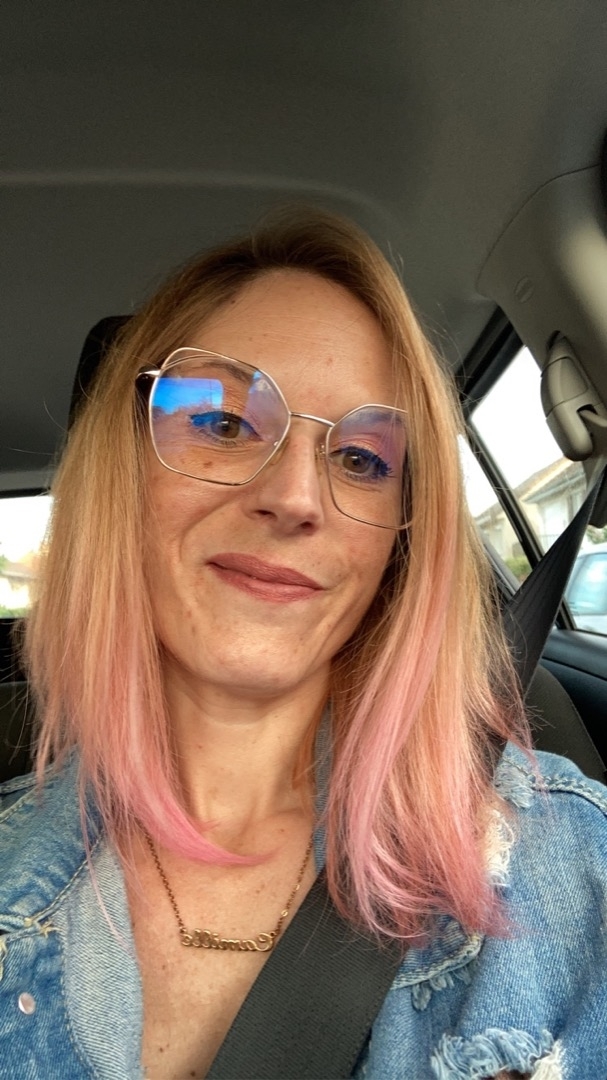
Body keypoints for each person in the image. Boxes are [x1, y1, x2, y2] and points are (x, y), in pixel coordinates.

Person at [1, 209, 606, 1080]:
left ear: (398, 541)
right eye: (221, 424)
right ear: (119, 474)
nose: (294, 498)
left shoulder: (567, 865)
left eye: (361, 458)